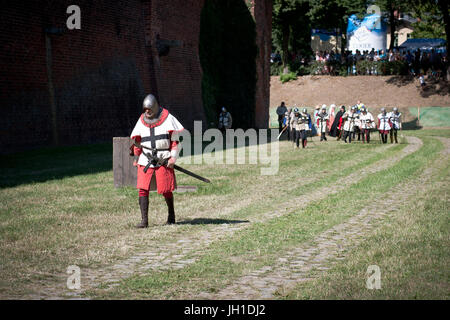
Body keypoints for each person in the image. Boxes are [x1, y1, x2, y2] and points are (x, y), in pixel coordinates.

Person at [130, 94, 184, 227]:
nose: (146, 112)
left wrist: (173, 158)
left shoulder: (168, 118)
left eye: (149, 109)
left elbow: (175, 142)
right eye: (145, 109)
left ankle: (171, 216)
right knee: (142, 188)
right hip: (145, 159)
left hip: (163, 159)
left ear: (154, 107)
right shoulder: (141, 120)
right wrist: (137, 157)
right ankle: (144, 221)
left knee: (166, 189)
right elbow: (137, 141)